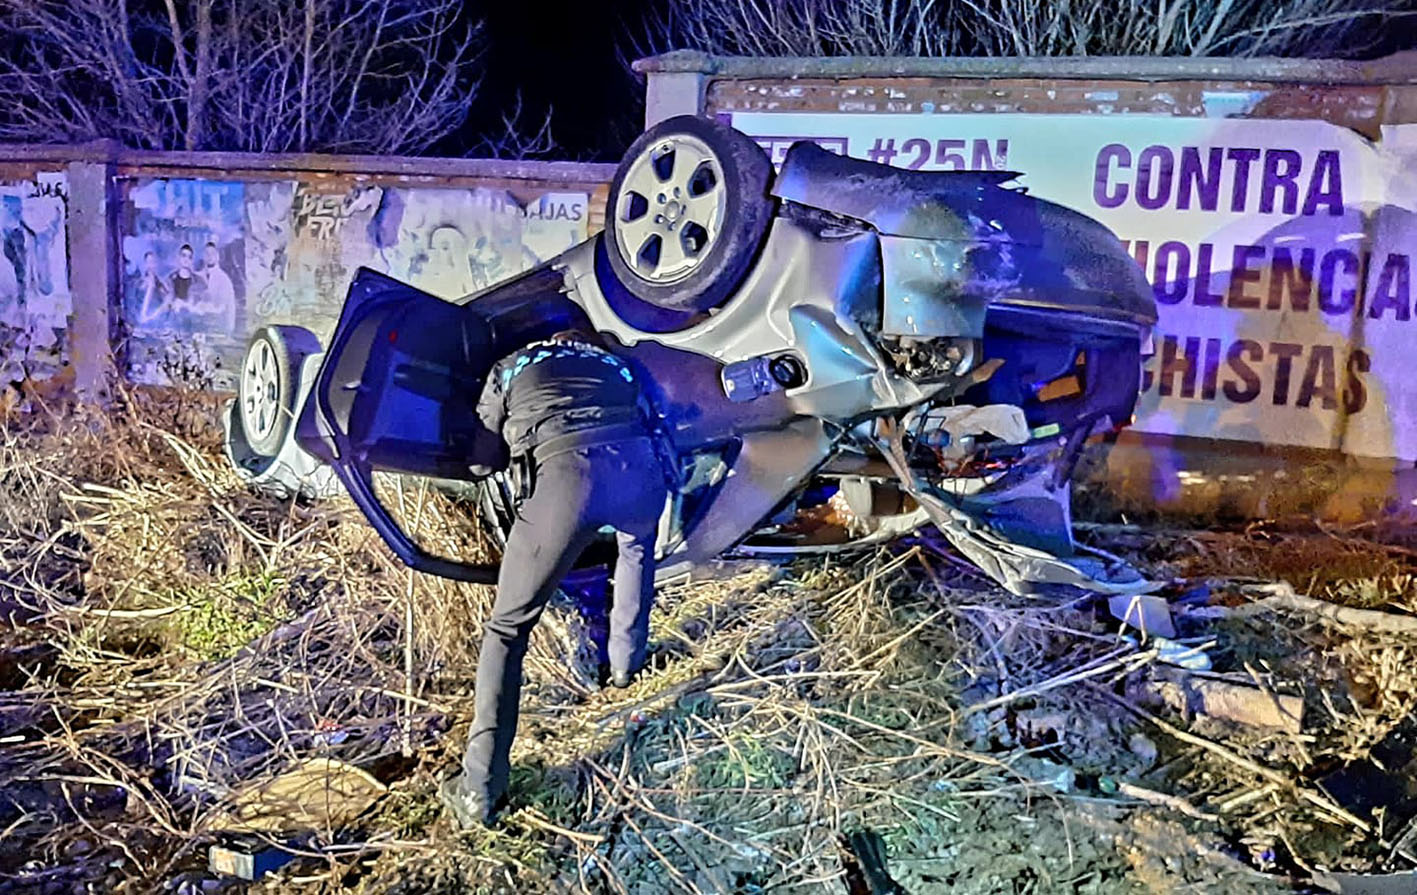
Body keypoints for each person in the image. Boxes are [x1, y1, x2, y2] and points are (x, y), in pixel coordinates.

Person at [440, 328, 671, 830]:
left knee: (507, 630)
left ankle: (479, 787)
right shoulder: (616, 362)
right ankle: (626, 667)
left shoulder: (512, 365)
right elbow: (654, 411)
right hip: (640, 471)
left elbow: (482, 460)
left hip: (569, 477)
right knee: (635, 555)